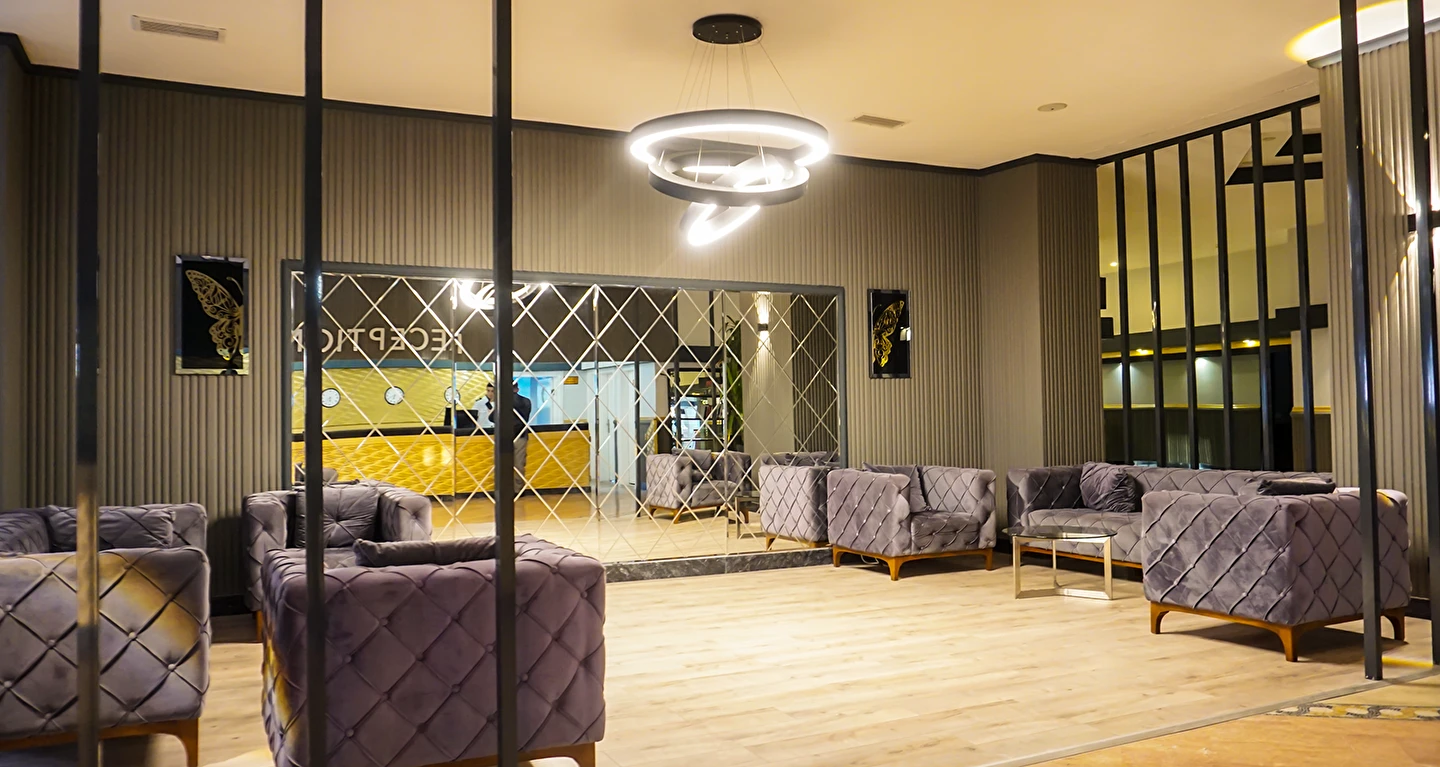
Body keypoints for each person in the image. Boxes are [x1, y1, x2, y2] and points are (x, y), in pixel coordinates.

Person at [485, 380, 533, 491]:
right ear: (517, 389)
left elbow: (492, 418)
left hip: (505, 436)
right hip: (521, 436)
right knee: (519, 464)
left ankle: (503, 490)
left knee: (502, 463)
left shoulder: (503, 402)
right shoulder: (526, 401)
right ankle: (518, 489)